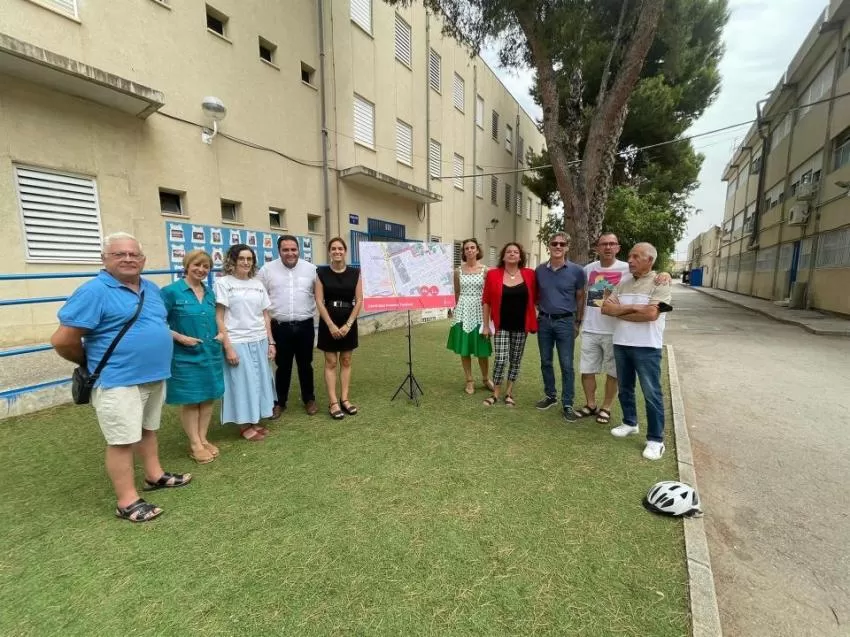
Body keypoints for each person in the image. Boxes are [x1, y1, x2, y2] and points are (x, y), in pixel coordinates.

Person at [51, 232, 191, 523]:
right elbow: (63, 340)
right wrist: (88, 362)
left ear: (143, 260)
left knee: (148, 429)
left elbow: (155, 324)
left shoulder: (150, 288)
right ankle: (127, 502)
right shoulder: (94, 291)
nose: (128, 259)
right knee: (122, 440)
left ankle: (154, 475)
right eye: (119, 254)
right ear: (104, 259)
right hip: (118, 379)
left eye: (133, 254)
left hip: (153, 375)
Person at [577, 233, 670, 425]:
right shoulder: (588, 269)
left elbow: (648, 274)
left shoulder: (627, 269)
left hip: (614, 331)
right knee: (587, 370)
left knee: (614, 373)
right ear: (597, 248)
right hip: (591, 328)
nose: (608, 247)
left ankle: (606, 408)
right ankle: (591, 404)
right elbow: (589, 299)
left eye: (612, 244)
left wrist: (666, 274)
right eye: (604, 244)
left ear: (618, 248)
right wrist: (579, 321)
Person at [602, 242, 673, 461]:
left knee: (651, 393)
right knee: (625, 387)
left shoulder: (660, 282)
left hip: (647, 347)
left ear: (649, 260)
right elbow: (606, 308)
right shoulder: (623, 282)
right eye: (630, 256)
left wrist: (620, 311)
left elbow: (651, 314)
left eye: (636, 257)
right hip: (621, 343)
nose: (630, 260)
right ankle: (630, 422)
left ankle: (656, 440)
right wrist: (634, 308)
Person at [161, 249, 225, 464]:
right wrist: (180, 338)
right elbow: (157, 322)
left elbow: (217, 317)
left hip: (210, 352)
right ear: (186, 266)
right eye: (197, 265)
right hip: (185, 355)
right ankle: (195, 444)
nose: (201, 269)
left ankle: (203, 438)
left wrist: (221, 334)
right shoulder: (171, 292)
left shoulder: (210, 293)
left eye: (206, 266)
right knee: (191, 399)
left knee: (208, 397)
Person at [214, 244, 276, 441]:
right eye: (241, 258)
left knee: (259, 382)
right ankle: (243, 425)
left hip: (259, 339)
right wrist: (228, 347)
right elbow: (219, 317)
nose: (246, 262)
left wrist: (271, 342)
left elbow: (265, 315)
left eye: (249, 259)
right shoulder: (223, 283)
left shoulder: (257, 284)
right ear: (232, 260)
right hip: (237, 340)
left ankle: (255, 420)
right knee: (241, 384)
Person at [258, 235, 318, 417]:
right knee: (282, 366)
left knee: (306, 364)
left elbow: (319, 295)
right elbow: (259, 298)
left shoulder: (311, 270)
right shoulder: (267, 270)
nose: (290, 253)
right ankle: (280, 402)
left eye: (293, 249)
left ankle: (309, 399)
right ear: (279, 251)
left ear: (298, 250)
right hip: (280, 327)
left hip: (305, 325)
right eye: (286, 250)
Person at [533, 232, 587, 422]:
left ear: (567, 247)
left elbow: (580, 297)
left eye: (562, 244)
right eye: (554, 243)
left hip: (566, 322)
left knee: (566, 364)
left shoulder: (577, 271)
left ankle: (567, 403)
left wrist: (578, 322)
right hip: (544, 321)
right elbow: (536, 294)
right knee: (546, 361)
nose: (558, 246)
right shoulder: (539, 270)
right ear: (549, 246)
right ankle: (550, 395)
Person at [481, 242, 538, 407]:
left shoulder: (530, 274)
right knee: (500, 359)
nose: (512, 254)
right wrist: (486, 325)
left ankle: (509, 393)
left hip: (521, 325)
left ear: (520, 257)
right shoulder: (493, 274)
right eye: (509, 252)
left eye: (516, 252)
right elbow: (486, 301)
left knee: (515, 360)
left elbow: (536, 297)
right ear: (503, 256)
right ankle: (495, 393)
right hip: (502, 325)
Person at [315, 237, 363, 419]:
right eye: (333, 248)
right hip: (328, 320)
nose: (337, 251)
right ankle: (333, 402)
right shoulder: (321, 272)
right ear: (329, 252)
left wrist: (348, 324)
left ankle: (344, 399)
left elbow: (359, 300)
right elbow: (319, 300)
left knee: (346, 360)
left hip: (348, 320)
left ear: (345, 251)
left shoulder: (355, 273)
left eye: (340, 248)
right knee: (331, 362)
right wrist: (330, 325)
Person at [446, 238, 495, 395]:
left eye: (472, 247)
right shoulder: (457, 271)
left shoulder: (486, 271)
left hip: (480, 311)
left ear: (477, 250)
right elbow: (457, 292)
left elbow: (490, 293)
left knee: (482, 348)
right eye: (466, 248)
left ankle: (486, 379)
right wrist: (457, 309)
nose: (469, 250)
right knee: (464, 348)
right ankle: (469, 380)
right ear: (464, 252)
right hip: (463, 312)